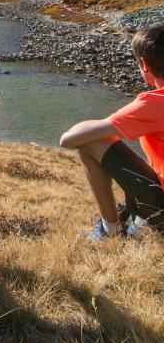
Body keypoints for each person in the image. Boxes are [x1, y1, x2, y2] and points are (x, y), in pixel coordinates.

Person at [60, 24, 164, 240]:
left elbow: (68, 140)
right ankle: (138, 222)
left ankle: (111, 231)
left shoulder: (154, 103)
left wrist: (114, 128)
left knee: (90, 143)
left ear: (144, 64)